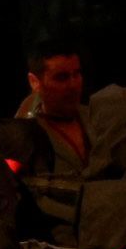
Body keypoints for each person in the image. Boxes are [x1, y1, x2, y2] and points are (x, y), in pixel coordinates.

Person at [18, 40, 94, 178]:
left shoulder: (97, 118)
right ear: (34, 82)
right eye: (61, 77)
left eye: (76, 74)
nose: (73, 85)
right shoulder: (25, 137)